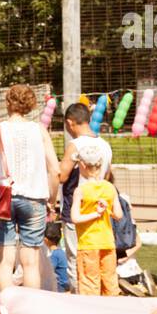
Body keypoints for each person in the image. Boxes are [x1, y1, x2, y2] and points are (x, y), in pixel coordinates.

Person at [0, 84, 59, 293]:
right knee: (30, 261)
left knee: (5, 261)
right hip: (34, 198)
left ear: (8, 102)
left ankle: (6, 310)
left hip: (3, 199)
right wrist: (52, 199)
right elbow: (55, 170)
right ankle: (31, 310)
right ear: (30, 105)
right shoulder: (39, 130)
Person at [58, 102, 112, 292]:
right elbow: (106, 177)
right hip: (99, 211)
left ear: (70, 123)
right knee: (98, 258)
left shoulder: (75, 145)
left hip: (77, 211)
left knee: (75, 258)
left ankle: (80, 299)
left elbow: (62, 176)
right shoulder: (105, 146)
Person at [70, 144, 122, 296]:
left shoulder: (80, 191)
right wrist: (107, 209)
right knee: (110, 282)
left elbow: (75, 218)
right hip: (107, 242)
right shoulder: (110, 188)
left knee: (89, 283)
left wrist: (95, 214)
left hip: (88, 243)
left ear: (83, 165)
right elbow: (118, 215)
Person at [43, 221, 69, 292]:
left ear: (45, 240)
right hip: (65, 284)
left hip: (60, 286)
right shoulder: (61, 252)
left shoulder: (54, 255)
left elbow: (48, 271)